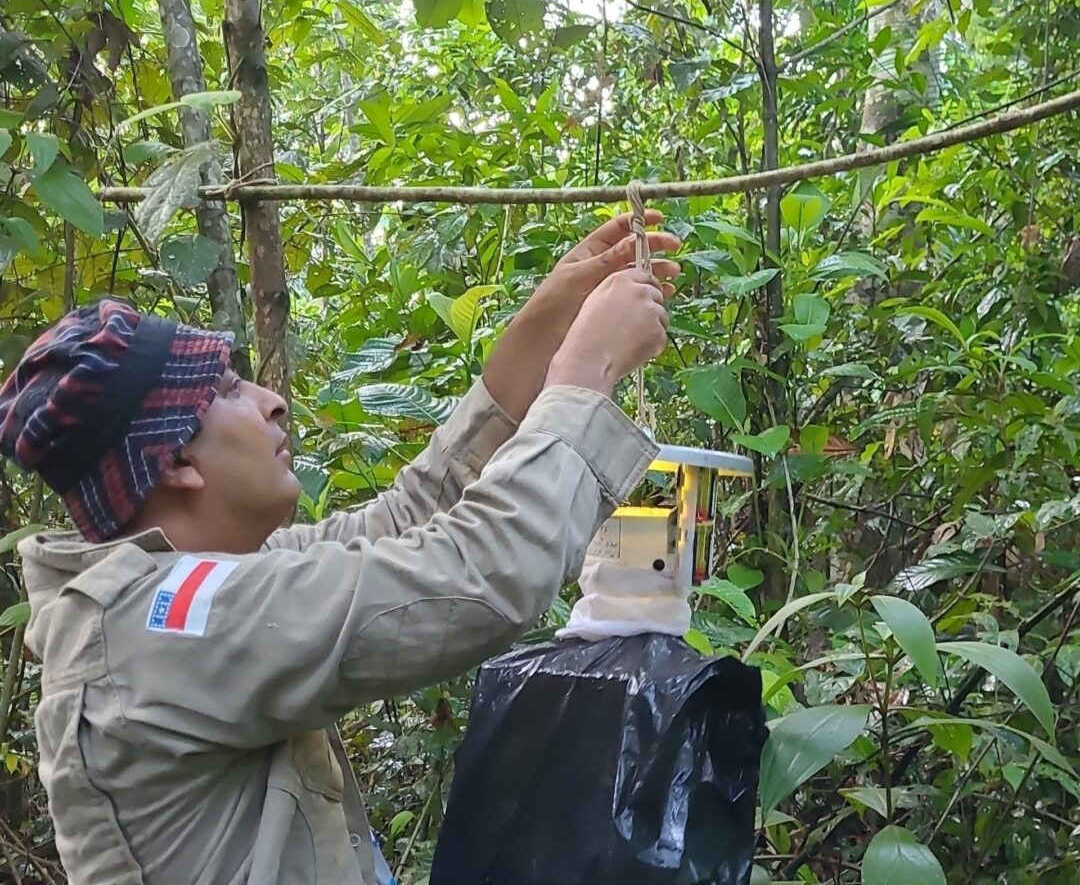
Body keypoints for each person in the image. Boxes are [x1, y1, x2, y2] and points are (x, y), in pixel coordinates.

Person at [0, 212, 680, 885]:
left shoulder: (187, 591)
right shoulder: (164, 630)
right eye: (229, 390)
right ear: (174, 458)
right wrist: (586, 367)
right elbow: (478, 575)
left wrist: (543, 329)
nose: (272, 402)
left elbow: (412, 519)